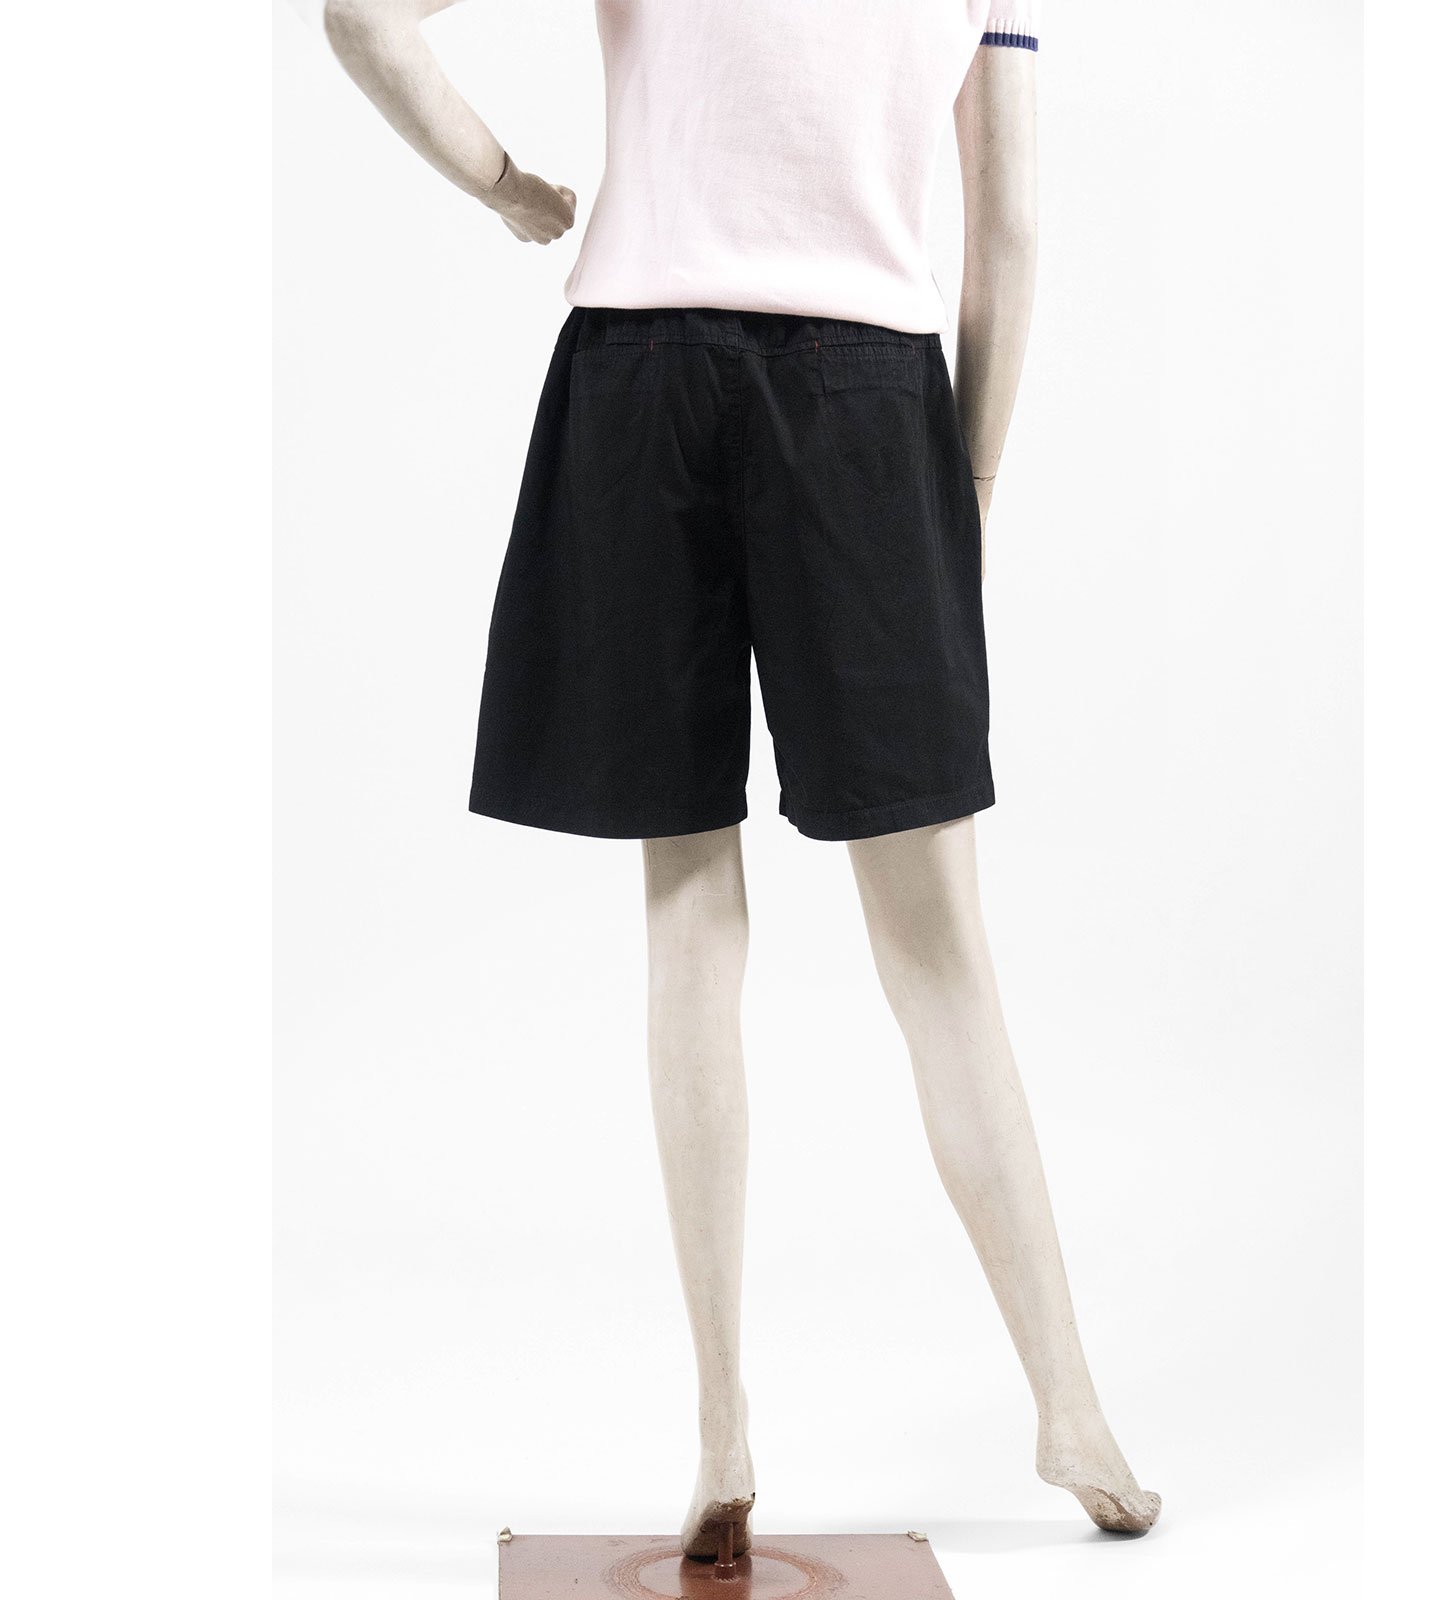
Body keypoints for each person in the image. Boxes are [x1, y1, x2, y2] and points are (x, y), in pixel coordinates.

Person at [322, 0, 1161, 1559]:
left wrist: (510, 187)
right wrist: (968, 479)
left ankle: (722, 1426)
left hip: (638, 379)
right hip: (866, 396)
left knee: (690, 916)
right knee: (942, 952)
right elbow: (1010, 228)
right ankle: (1072, 1409)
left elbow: (365, 17)